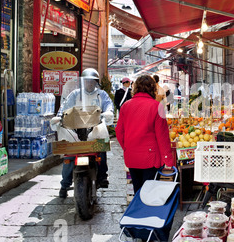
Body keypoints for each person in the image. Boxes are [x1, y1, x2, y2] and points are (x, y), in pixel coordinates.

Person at [54, 68, 114, 198]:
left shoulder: (101, 94)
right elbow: (64, 108)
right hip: (76, 130)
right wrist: (59, 117)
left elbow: (109, 106)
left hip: (95, 129)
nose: (89, 83)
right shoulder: (75, 94)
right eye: (87, 81)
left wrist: (108, 113)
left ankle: (103, 176)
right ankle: (64, 185)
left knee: (101, 150)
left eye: (92, 81)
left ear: (96, 82)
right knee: (69, 157)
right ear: (83, 82)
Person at [116, 75, 175, 194]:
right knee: (150, 193)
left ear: (135, 88)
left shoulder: (126, 106)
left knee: (137, 190)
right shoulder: (156, 106)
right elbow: (162, 136)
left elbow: (119, 131)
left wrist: (127, 148)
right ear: (153, 89)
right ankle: (147, 212)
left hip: (132, 156)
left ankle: (138, 211)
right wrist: (168, 160)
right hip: (151, 157)